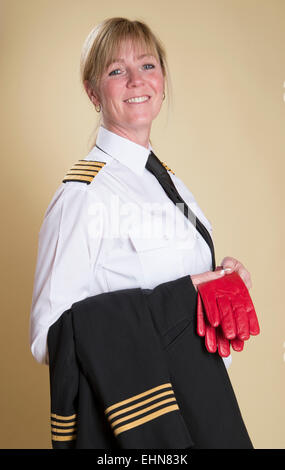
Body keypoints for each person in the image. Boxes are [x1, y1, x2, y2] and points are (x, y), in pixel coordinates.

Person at [30, 18, 253, 374]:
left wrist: (220, 281)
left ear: (162, 82)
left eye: (147, 65)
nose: (136, 80)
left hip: (200, 403)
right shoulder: (84, 195)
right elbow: (49, 338)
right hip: (144, 419)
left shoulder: (170, 184)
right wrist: (176, 301)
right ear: (93, 92)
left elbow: (183, 292)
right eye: (117, 70)